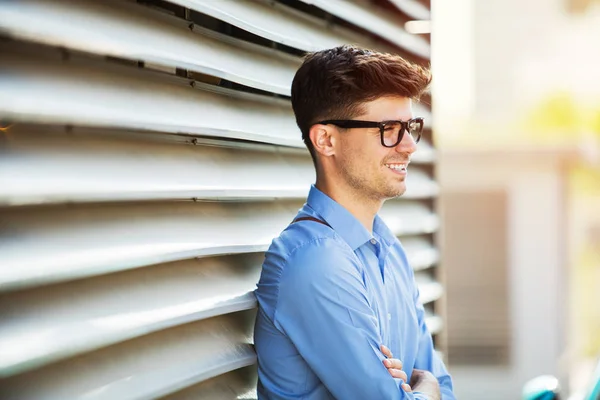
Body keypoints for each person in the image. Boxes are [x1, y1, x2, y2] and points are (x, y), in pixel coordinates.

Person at [253, 45, 456, 400]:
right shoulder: (314, 260)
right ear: (326, 140)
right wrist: (427, 389)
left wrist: (425, 389)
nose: (408, 146)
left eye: (409, 127)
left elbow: (444, 386)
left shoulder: (388, 249)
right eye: (388, 129)